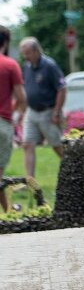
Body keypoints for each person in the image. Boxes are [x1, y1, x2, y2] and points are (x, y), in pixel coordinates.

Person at [19, 37, 66, 178]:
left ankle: (75, 171)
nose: (25, 57)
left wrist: (56, 112)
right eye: (23, 53)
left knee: (57, 146)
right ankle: (30, 181)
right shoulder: (27, 66)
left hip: (48, 111)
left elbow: (62, 88)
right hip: (32, 112)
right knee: (27, 144)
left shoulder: (49, 65)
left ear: (36, 51)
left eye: (27, 53)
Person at [0, 26, 27, 212]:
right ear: (6, 42)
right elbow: (22, 97)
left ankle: (8, 210)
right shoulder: (10, 65)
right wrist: (17, 112)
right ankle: (9, 211)